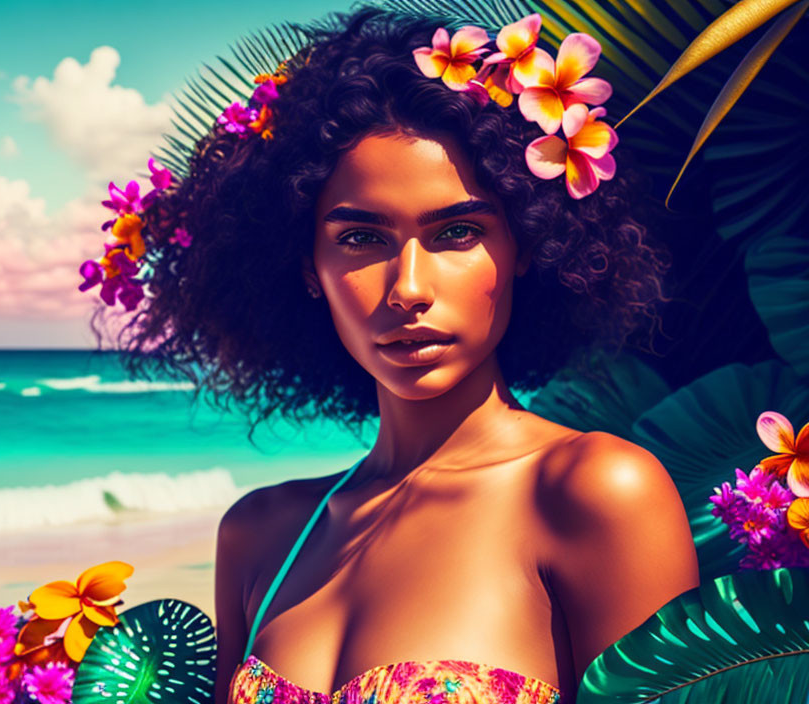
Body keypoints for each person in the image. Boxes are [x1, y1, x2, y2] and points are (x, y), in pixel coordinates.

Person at [90, 5, 702, 702]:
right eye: (360, 239)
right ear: (305, 268)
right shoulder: (260, 536)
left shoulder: (593, 494)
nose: (408, 287)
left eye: (458, 233)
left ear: (527, 245)